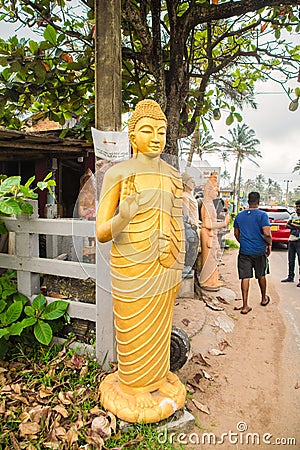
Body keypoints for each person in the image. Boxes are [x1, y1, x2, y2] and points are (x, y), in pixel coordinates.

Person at [96, 99, 186, 423]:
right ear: (132, 136)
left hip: (166, 265)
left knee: (161, 329)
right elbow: (102, 232)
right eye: (147, 130)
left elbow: (178, 224)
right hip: (131, 267)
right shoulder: (118, 174)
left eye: (161, 131)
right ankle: (134, 386)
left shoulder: (174, 176)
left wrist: (178, 264)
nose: (156, 137)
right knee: (134, 328)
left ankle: (160, 378)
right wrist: (124, 216)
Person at [233, 192, 272, 314]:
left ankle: (245, 306)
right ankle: (264, 298)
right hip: (259, 251)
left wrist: (243, 242)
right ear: (258, 201)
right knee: (261, 274)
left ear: (248, 201)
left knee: (245, 277)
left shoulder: (239, 216)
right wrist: (269, 244)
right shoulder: (262, 215)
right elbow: (267, 233)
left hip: (244, 251)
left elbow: (236, 233)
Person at [199, 172, 230, 291]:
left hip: (212, 234)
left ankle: (213, 280)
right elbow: (207, 224)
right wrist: (224, 223)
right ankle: (207, 281)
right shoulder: (207, 204)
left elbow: (212, 220)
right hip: (208, 234)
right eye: (215, 190)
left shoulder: (210, 204)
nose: (217, 193)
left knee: (213, 259)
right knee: (209, 260)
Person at [281, 199, 300, 287]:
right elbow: (287, 225)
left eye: (299, 206)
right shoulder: (293, 215)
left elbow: (290, 225)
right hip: (291, 240)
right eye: (296, 206)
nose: (298, 208)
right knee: (291, 260)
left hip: (299, 241)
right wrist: (296, 227)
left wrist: (293, 225)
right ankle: (290, 277)